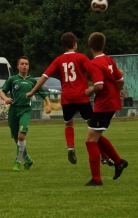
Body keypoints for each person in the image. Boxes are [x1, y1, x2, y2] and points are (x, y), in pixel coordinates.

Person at [26, 32, 112, 165]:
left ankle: (71, 146)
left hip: (67, 98)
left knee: (69, 123)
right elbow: (95, 69)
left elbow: (44, 76)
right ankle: (104, 155)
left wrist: (32, 91)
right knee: (94, 128)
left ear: (63, 46)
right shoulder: (81, 57)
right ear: (74, 44)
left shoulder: (58, 60)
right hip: (82, 96)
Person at [84, 32, 128, 186]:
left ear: (90, 46)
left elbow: (99, 86)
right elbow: (120, 81)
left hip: (104, 105)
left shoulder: (94, 64)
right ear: (103, 45)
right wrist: (115, 91)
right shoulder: (109, 59)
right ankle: (118, 161)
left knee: (90, 141)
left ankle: (96, 179)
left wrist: (89, 91)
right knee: (96, 137)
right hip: (110, 103)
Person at [0, 56, 51, 171]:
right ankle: (28, 159)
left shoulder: (33, 81)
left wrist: (48, 104)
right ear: (18, 66)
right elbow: (2, 92)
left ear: (28, 66)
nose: (24, 66)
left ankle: (17, 162)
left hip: (26, 110)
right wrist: (6, 99)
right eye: (22, 64)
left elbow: (43, 94)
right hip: (13, 110)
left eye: (26, 64)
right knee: (16, 139)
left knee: (21, 135)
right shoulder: (12, 79)